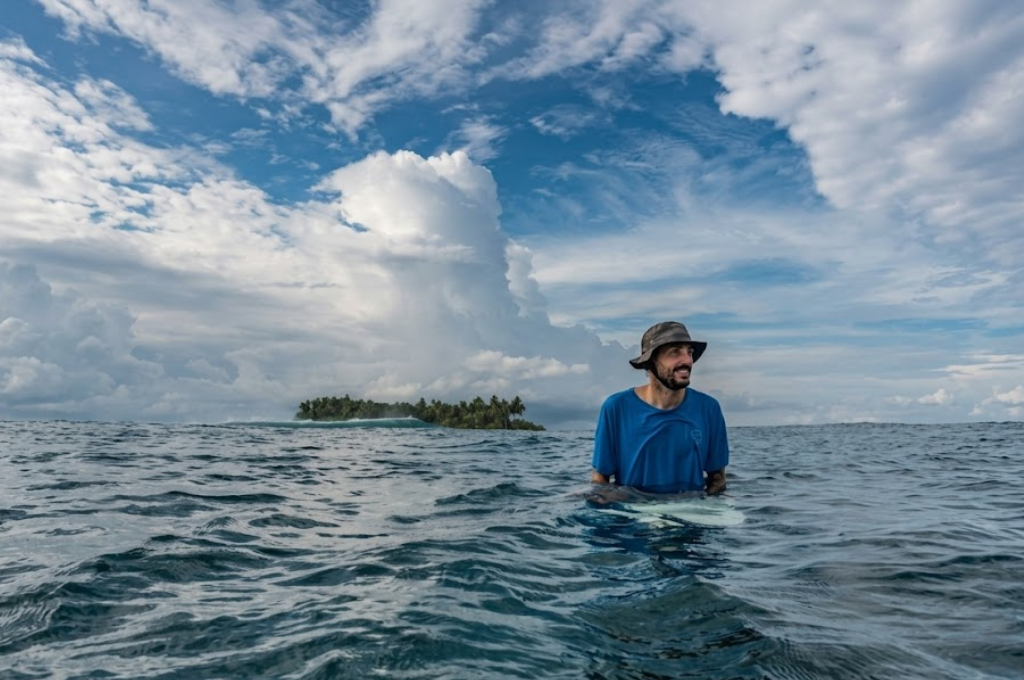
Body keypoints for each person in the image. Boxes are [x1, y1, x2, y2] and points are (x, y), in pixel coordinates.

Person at [592, 321, 729, 495]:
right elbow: (600, 480)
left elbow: (718, 480)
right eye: (675, 352)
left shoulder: (709, 408)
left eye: (690, 352)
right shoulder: (616, 408)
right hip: (634, 512)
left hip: (691, 511)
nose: (687, 360)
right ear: (650, 361)